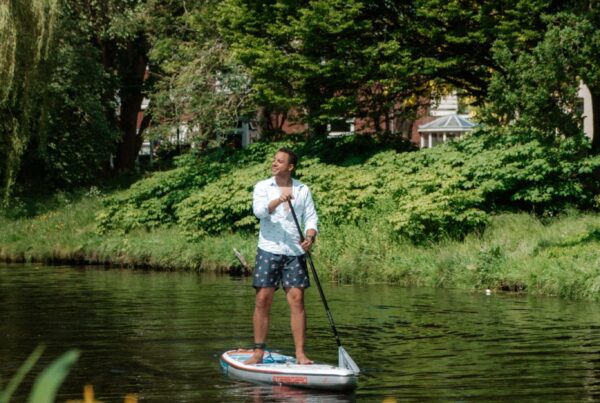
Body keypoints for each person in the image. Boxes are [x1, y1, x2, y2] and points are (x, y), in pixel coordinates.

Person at [245, 147, 318, 365]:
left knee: (297, 300)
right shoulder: (263, 187)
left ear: (290, 167)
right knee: (263, 299)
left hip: (294, 252)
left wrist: (310, 236)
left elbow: (312, 217)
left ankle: (300, 354)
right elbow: (259, 212)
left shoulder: (303, 189)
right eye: (274, 160)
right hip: (269, 248)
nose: (275, 164)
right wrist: (279, 199)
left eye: (280, 161)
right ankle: (258, 352)